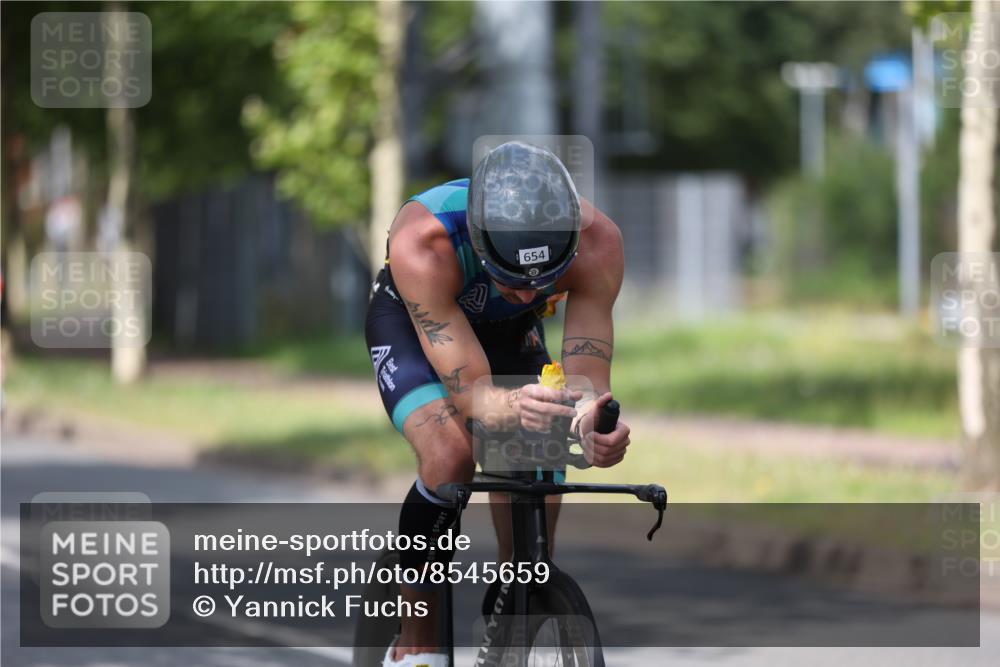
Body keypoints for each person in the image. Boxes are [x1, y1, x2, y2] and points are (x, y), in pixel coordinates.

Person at [365, 141, 630, 667]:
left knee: (542, 445)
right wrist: (507, 406)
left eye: (543, 285)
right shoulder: (425, 239)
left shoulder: (599, 243)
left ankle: (514, 608)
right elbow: (474, 395)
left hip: (510, 336)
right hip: (418, 328)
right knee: (451, 454)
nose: (531, 296)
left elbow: (586, 381)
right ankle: (416, 644)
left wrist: (590, 424)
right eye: (512, 281)